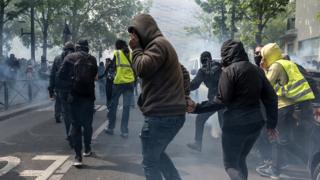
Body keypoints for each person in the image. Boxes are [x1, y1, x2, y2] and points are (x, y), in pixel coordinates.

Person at [188, 40, 278, 180]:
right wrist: (271, 124)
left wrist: (197, 108)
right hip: (255, 124)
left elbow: (221, 101)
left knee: (231, 164)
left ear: (226, 54)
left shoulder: (229, 71)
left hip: (235, 125)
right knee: (241, 159)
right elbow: (271, 97)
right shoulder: (256, 70)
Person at [128, 14, 190, 180]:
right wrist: (185, 95)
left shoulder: (157, 45)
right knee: (157, 155)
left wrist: (135, 49)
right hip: (169, 114)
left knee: (150, 162)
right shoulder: (162, 45)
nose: (132, 38)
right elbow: (183, 71)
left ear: (144, 31)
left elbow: (141, 68)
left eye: (135, 34)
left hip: (161, 115)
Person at [257, 43, 316, 179]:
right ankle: (309, 160)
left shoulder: (276, 66)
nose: (262, 60)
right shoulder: (287, 63)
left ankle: (275, 170)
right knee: (285, 140)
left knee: (277, 139)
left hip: (283, 107)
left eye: (263, 57)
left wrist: (263, 69)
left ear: (268, 55)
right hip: (293, 106)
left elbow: (265, 85)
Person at [59, 39, 98, 167]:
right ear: (87, 48)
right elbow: (94, 76)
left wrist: (69, 85)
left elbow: (60, 75)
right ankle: (87, 149)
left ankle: (78, 157)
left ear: (77, 47)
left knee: (75, 126)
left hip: (74, 97)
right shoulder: (92, 59)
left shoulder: (69, 57)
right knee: (87, 125)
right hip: (88, 97)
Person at [187, 51, 222, 152]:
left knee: (200, 119)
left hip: (215, 101)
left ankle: (198, 143)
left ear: (202, 61)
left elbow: (194, 85)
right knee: (225, 124)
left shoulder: (202, 70)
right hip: (226, 99)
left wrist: (183, 88)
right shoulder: (219, 65)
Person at [104, 39, 135, 138]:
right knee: (126, 108)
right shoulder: (131, 54)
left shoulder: (117, 53)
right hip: (130, 83)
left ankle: (111, 128)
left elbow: (112, 67)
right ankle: (124, 131)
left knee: (114, 106)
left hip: (119, 83)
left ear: (118, 46)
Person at [51, 42, 75, 146]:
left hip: (60, 88)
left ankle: (68, 132)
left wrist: (51, 89)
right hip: (72, 89)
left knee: (66, 112)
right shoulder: (76, 57)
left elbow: (52, 74)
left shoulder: (57, 58)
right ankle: (72, 132)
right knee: (74, 112)